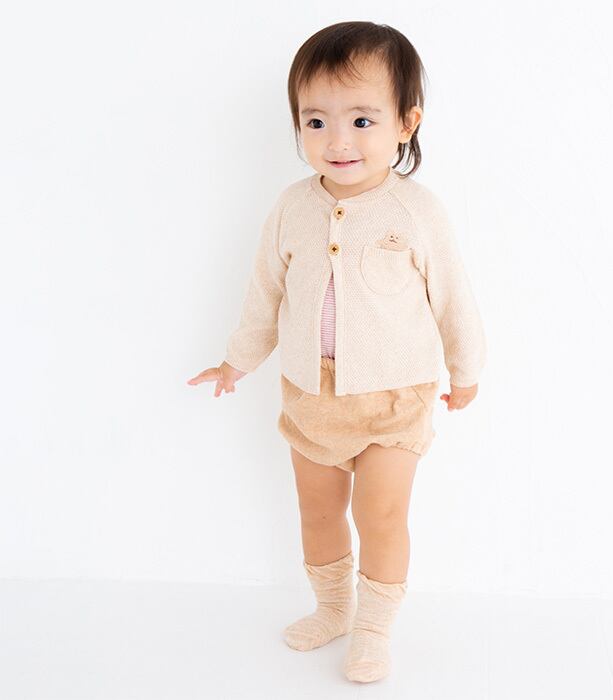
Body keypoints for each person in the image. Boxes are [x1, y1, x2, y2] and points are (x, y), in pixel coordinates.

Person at [187, 20, 487, 684]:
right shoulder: (291, 208)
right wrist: (238, 359)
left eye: (361, 119)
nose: (337, 140)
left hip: (394, 398)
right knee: (319, 513)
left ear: (406, 123)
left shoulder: (417, 212)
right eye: (316, 122)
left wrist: (466, 370)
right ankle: (333, 608)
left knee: (381, 514)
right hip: (311, 395)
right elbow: (265, 293)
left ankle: (374, 627)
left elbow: (454, 298)